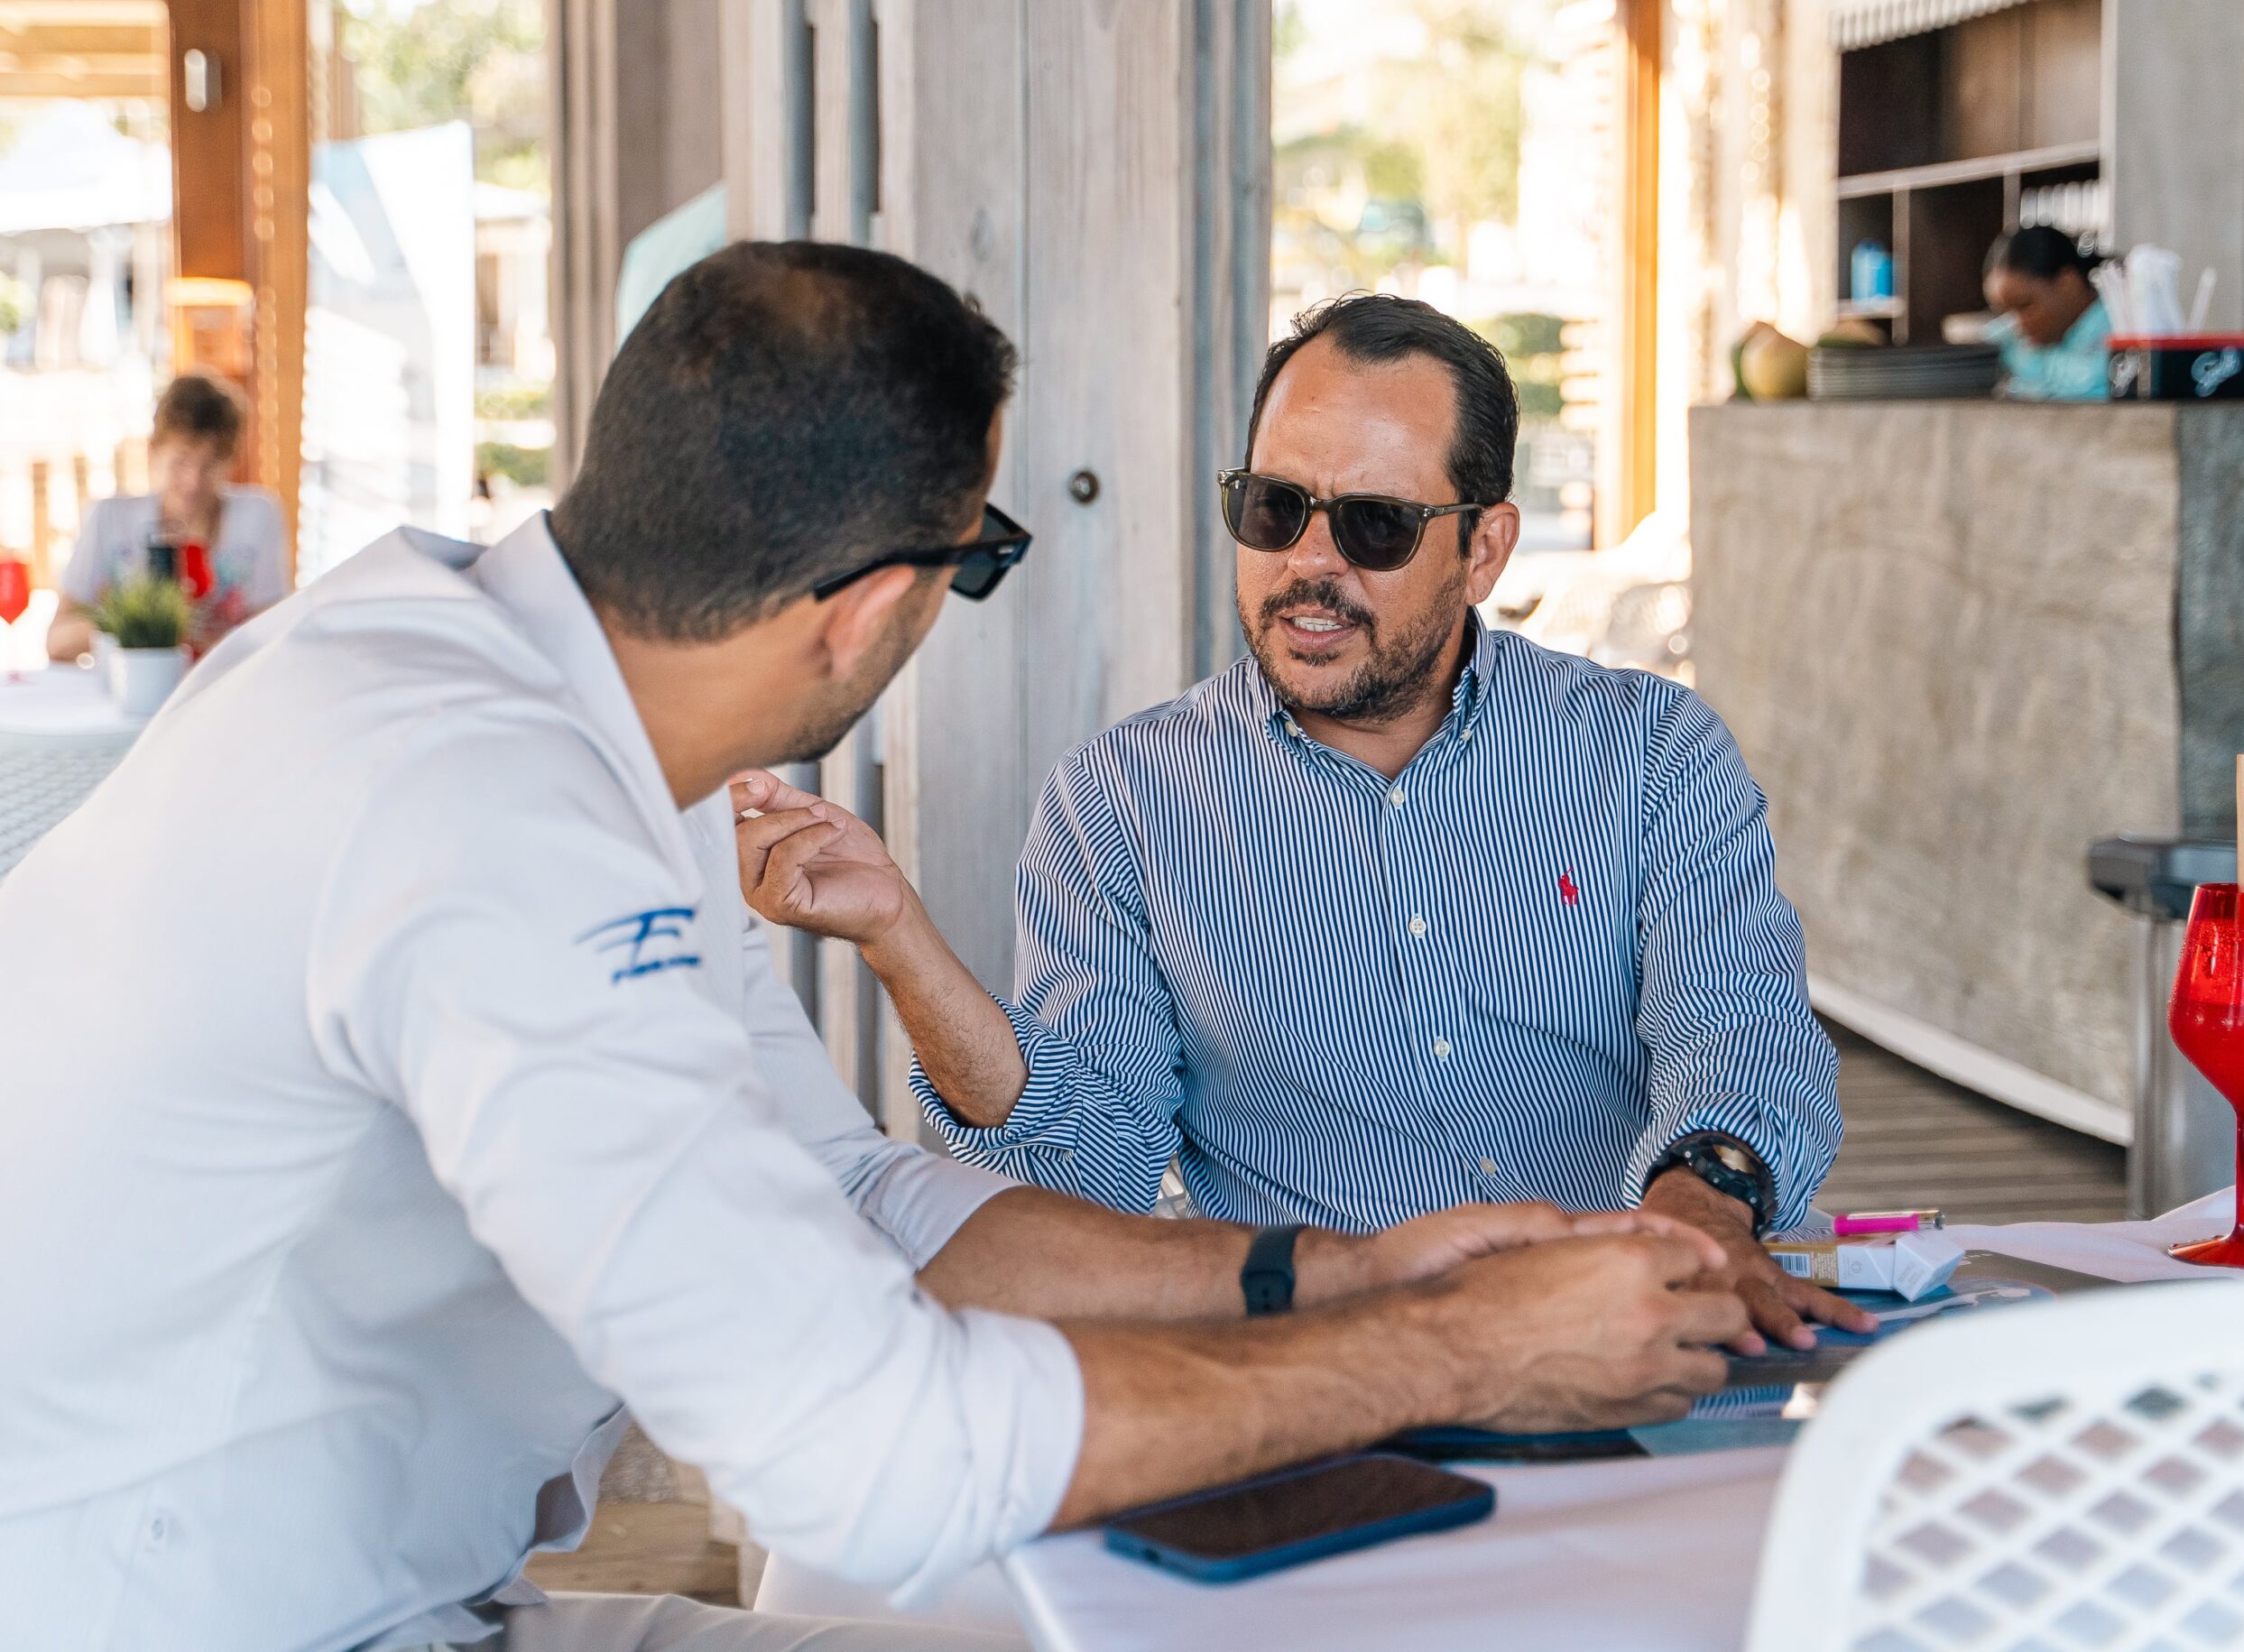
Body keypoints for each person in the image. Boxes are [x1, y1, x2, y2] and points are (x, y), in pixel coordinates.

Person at [0, 243, 1748, 1652]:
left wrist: (1346, 1272)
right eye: (974, 558)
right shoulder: (492, 818)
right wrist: (1460, 1353)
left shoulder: (529, 704)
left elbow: (848, 1189)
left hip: (372, 1578)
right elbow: (870, 1457)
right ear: (866, 607)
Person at [744, 291, 1869, 1355]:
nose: (1309, 564)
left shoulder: (1651, 753)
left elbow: (1741, 1031)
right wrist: (900, 939)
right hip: (1330, 1373)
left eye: (1376, 525)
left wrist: (1696, 1212)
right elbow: (1088, 1168)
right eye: (1274, 508)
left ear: (1483, 549)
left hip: (1645, 1327)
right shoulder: (1123, 799)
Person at [46, 369, 291, 661]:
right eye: (180, 461)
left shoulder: (258, 515)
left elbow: (274, 635)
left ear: (231, 460)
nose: (193, 480)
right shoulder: (110, 518)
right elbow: (56, 643)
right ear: (155, 451)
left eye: (210, 464)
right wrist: (136, 624)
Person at [1982, 225, 2111, 401]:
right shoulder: (2016, 337)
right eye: (2006, 312)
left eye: (2025, 305)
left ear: (2068, 284)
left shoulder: (2118, 325)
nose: (2017, 324)